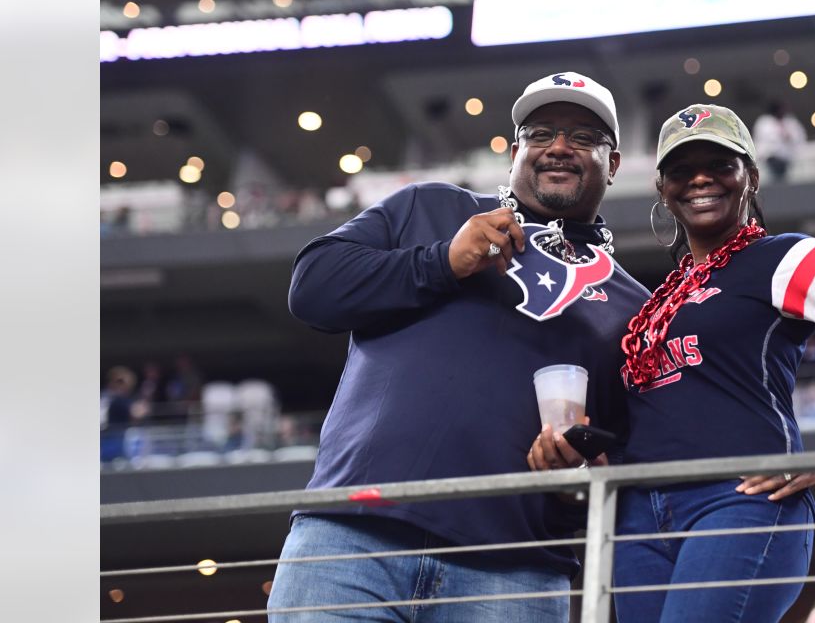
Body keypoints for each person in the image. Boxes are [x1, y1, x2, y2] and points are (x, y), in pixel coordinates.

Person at [528, 104, 815, 622]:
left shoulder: (784, 258)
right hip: (638, 515)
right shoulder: (658, 299)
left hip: (737, 500)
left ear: (749, 176)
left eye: (720, 165)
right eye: (682, 170)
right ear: (663, 189)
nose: (700, 179)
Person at [267, 72, 651, 622]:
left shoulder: (630, 304)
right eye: (542, 133)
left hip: (513, 570)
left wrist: (577, 473)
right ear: (515, 151)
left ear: (613, 164)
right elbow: (312, 289)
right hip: (351, 541)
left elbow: (619, 455)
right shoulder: (431, 208)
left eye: (585, 137)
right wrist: (442, 261)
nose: (560, 147)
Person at [752, 100, 807, 183]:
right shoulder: (764, 123)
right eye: (781, 109)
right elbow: (761, 141)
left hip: (788, 160)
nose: (783, 111)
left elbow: (800, 137)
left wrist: (789, 136)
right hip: (770, 160)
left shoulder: (790, 122)